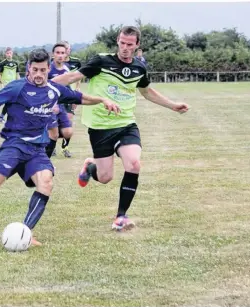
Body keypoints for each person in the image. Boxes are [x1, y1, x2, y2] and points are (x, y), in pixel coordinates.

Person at [0, 48, 120, 245]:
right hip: (14, 145)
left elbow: (81, 98)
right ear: (28, 68)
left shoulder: (54, 89)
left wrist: (103, 99)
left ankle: (26, 232)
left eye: (42, 70)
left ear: (47, 69)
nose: (38, 74)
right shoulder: (17, 88)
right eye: (34, 70)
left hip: (36, 150)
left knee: (46, 182)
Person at [52, 26, 189, 231]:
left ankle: (121, 217)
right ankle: (91, 167)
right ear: (118, 40)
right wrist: (41, 87)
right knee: (105, 178)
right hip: (100, 127)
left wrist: (172, 105)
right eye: (122, 43)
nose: (125, 48)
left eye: (130, 44)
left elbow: (147, 92)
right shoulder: (101, 61)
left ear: (137, 45)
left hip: (126, 124)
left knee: (133, 164)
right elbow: (72, 77)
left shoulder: (139, 67)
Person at [45, 43, 74, 158]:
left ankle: (51, 142)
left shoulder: (67, 68)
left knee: (68, 131)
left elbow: (68, 85)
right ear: (53, 54)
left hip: (62, 104)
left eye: (63, 53)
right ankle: (47, 153)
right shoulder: (48, 69)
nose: (60, 55)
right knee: (54, 133)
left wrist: (73, 99)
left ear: (66, 54)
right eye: (58, 53)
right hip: (49, 105)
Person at [0, 47, 21, 123]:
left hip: (14, 85)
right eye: (7, 53)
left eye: (10, 53)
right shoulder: (2, 63)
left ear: (12, 53)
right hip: (6, 85)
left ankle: (2, 117)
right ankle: (3, 117)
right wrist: (3, 82)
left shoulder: (15, 63)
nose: (9, 55)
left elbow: (17, 74)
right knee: (10, 101)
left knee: (12, 101)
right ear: (5, 54)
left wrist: (20, 82)